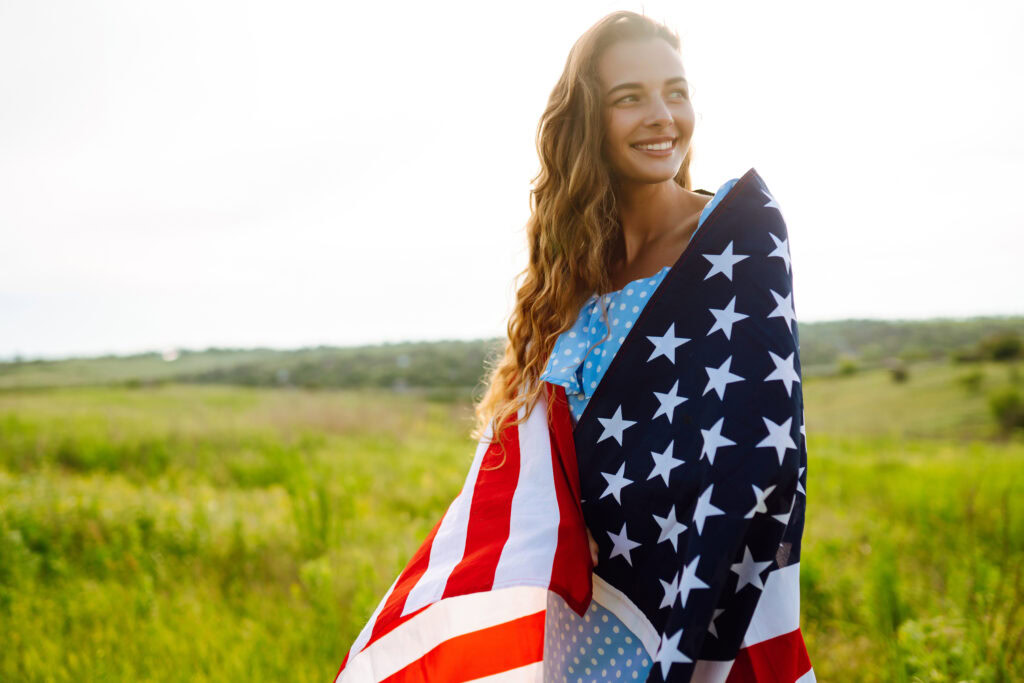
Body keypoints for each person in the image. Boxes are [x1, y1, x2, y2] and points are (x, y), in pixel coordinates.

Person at [472, 10, 812, 682]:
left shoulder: (735, 239)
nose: (663, 116)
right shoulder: (571, 275)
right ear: (587, 120)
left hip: (690, 605)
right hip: (578, 619)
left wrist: (688, 645)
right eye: (630, 98)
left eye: (676, 92)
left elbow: (761, 448)